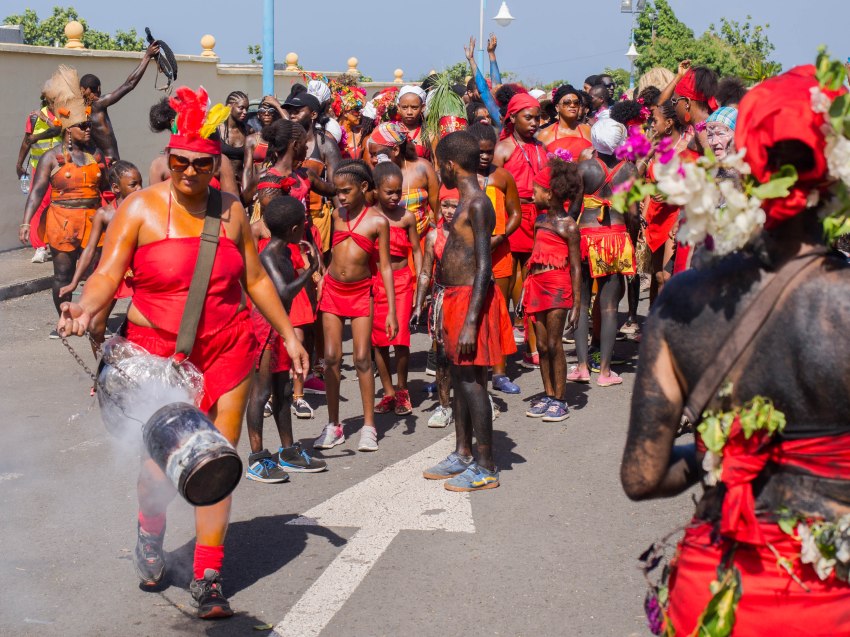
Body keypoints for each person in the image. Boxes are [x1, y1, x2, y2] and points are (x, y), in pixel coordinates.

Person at [57, 86, 309, 619]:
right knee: (160, 466)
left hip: (228, 348)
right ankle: (150, 535)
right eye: (180, 162)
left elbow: (255, 279)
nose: (190, 172)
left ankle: (208, 576)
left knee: (216, 459)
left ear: (216, 164)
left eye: (201, 163)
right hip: (157, 357)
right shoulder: (139, 209)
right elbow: (106, 276)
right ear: (168, 159)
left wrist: (288, 333)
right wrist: (83, 307)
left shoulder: (232, 211)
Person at [621, 64, 850, 635]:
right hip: (831, 595)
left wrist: (719, 452)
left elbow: (642, 476)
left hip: (718, 591)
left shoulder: (684, 299)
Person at [422, 131, 516, 492]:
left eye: (439, 166)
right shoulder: (464, 201)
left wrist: (471, 322)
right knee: (460, 378)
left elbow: (483, 266)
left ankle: (485, 466)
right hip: (454, 298)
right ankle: (462, 453)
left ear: (449, 165)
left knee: (473, 382)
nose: (438, 172)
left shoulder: (477, 204)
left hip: (469, 301)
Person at [314, 159, 397, 453]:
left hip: (362, 292)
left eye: (346, 191)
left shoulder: (378, 222)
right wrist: (322, 276)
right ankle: (333, 425)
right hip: (333, 291)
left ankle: (369, 426)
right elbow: (329, 253)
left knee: (362, 358)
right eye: (337, 191)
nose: (341, 196)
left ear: (363, 187)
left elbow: (385, 267)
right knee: (331, 357)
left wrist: (392, 311)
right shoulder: (336, 216)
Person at [245, 195, 327, 482]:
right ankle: (257, 458)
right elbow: (284, 292)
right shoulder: (269, 255)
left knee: (282, 390)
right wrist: (311, 270)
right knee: (261, 393)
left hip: (280, 326)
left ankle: (288, 451)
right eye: (303, 224)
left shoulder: (284, 252)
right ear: (294, 229)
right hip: (265, 328)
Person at [20, 66, 108, 327]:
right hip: (62, 222)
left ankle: (90, 318)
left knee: (95, 273)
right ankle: (65, 318)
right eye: (83, 126)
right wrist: (26, 222)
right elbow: (37, 192)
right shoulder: (51, 158)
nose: (88, 130)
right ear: (69, 129)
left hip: (93, 221)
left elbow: (108, 187)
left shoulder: (96, 155)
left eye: (89, 125)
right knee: (62, 275)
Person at [569, 118, 637, 387]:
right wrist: (632, 242)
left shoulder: (584, 168)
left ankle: (582, 367)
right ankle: (606, 372)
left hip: (586, 239)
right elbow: (633, 214)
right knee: (610, 307)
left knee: (581, 302)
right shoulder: (629, 170)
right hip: (617, 239)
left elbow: (575, 209)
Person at [58, 160, 143, 347]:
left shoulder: (145, 209)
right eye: (133, 184)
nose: (140, 188)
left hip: (140, 269)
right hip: (112, 269)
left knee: (142, 322)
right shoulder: (104, 214)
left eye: (140, 183)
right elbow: (90, 249)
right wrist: (74, 282)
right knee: (95, 326)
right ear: (116, 188)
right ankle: (101, 361)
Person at [524, 158, 583, 421]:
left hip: (558, 287)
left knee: (554, 343)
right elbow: (535, 255)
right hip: (536, 286)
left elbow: (576, 268)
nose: (532, 195)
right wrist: (525, 290)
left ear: (549, 194)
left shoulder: (569, 226)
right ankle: (548, 394)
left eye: (536, 190)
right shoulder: (539, 221)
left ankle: (560, 399)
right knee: (542, 346)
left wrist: (577, 303)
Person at [466, 123, 522, 394]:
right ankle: (464, 369)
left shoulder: (503, 177)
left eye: (489, 151)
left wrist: (499, 237)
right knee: (466, 310)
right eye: (480, 152)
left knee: (499, 311)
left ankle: (499, 372)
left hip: (499, 252)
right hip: (467, 254)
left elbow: (516, 214)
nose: (485, 156)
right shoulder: (461, 178)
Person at [493, 92, 545, 369]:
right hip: (511, 216)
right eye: (528, 117)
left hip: (538, 217)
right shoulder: (502, 149)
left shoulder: (542, 147)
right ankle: (501, 348)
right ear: (512, 118)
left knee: (533, 281)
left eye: (537, 118)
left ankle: (532, 346)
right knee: (508, 280)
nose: (534, 123)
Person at [371, 161, 422, 416]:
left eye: (398, 192)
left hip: (402, 282)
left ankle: (402, 390)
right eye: (388, 192)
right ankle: (388, 392)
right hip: (376, 283)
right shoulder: (369, 217)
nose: (394, 197)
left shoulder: (406, 217)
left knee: (400, 339)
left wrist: (421, 279)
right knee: (378, 341)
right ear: (375, 191)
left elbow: (417, 250)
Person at [639, 100, 699, 304]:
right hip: (655, 217)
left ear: (669, 123)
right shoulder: (656, 148)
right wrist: (644, 218)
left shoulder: (686, 148)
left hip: (675, 216)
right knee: (657, 276)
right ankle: (653, 318)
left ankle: (666, 318)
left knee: (666, 276)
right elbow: (649, 185)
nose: (651, 125)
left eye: (655, 120)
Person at [413, 195, 457, 428]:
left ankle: (477, 401)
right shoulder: (433, 236)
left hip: (466, 299)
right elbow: (425, 273)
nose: (448, 211)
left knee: (470, 355)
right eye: (445, 206)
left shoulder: (472, 234)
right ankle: (444, 405)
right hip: (442, 299)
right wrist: (418, 304)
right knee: (442, 356)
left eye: (454, 206)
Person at [282, 90, 342, 256]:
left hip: (317, 218)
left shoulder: (325, 145)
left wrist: (343, 223)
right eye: (290, 111)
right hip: (286, 219)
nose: (292, 115)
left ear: (313, 114)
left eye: (298, 110)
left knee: (316, 263)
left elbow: (336, 188)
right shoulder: (283, 143)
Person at [80, 42, 161, 161]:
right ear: (98, 89)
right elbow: (129, 84)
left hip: (94, 163)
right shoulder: (99, 103)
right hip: (111, 162)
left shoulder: (79, 110)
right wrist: (147, 56)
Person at [367, 122, 439, 240]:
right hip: (387, 245)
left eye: (377, 154)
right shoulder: (373, 176)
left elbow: (438, 209)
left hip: (422, 241)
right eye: (371, 155)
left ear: (395, 150)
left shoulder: (423, 168)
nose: (373, 160)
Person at [17, 95, 63, 263]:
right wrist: (19, 163)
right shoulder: (34, 117)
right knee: (38, 205)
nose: (55, 103)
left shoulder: (64, 115)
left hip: (60, 168)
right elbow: (27, 140)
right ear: (46, 101)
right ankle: (40, 247)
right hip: (39, 168)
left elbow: (58, 130)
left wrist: (45, 118)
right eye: (52, 100)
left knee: (60, 204)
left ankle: (61, 243)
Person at [659, 60, 719, 153]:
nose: (673, 107)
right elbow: (660, 104)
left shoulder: (703, 132)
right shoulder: (708, 125)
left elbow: (714, 161)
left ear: (687, 103)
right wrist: (679, 76)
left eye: (674, 101)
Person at [241, 96, 283, 198]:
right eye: (262, 110)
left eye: (271, 110)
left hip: (278, 189)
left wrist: (278, 106)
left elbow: (292, 126)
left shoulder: (281, 138)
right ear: (258, 115)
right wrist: (246, 194)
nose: (266, 113)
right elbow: (247, 170)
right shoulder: (252, 139)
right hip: (257, 190)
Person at [537, 85, 593, 158]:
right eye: (567, 102)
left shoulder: (589, 131)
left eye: (576, 103)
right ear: (557, 107)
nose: (572, 105)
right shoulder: (545, 134)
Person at [463, 35, 504, 129]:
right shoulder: (504, 116)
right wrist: (491, 53)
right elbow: (492, 88)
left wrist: (472, 59)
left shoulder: (503, 117)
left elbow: (487, 89)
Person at [216, 91, 251, 190]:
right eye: (241, 108)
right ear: (229, 107)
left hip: (241, 185)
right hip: (219, 183)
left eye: (247, 109)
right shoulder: (216, 130)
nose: (245, 112)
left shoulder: (248, 131)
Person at [396, 85, 430, 159]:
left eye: (414, 107)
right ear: (398, 107)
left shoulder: (430, 134)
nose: (409, 112)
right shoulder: (389, 131)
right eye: (404, 107)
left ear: (423, 107)